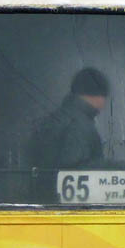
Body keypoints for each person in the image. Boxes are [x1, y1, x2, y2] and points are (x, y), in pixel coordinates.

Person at [27, 67, 109, 200]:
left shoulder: (54, 120)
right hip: (68, 211)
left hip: (41, 204)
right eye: (105, 96)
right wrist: (118, 168)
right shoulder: (80, 125)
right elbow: (77, 170)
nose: (105, 103)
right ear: (98, 95)